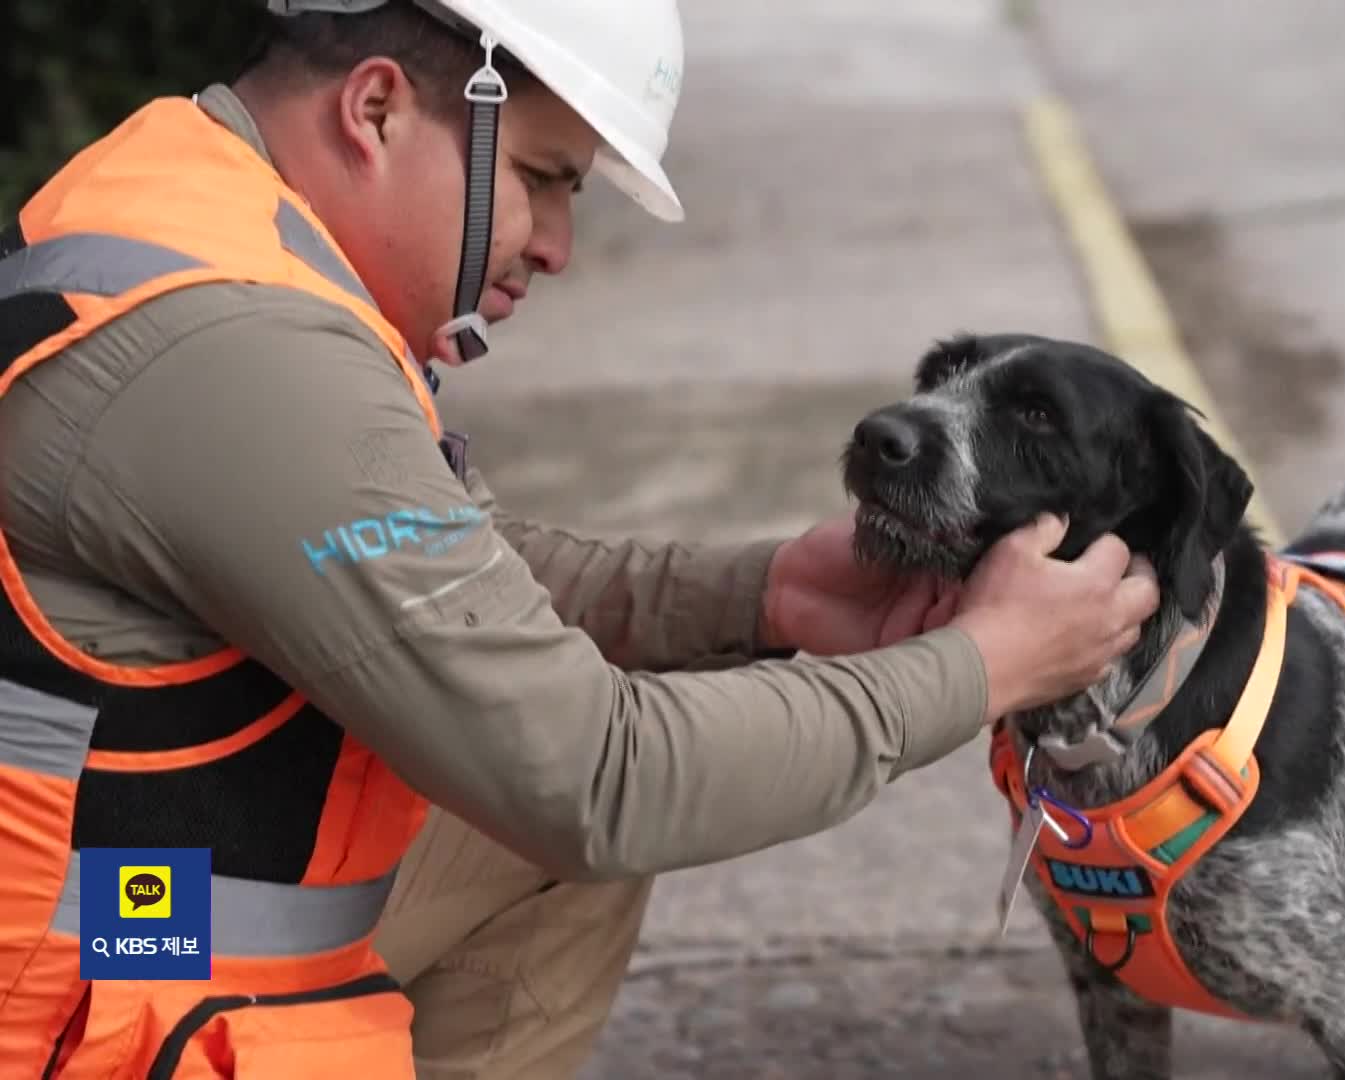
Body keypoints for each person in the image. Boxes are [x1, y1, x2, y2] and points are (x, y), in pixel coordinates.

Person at [0, 1, 1163, 1076]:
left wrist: (761, 594)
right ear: (376, 110)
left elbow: (450, 575)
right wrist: (980, 668)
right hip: (83, 973)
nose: (557, 245)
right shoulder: (240, 353)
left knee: (533, 841)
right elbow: (599, 775)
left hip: (118, 890)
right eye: (542, 179)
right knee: (561, 804)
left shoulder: (201, 217)